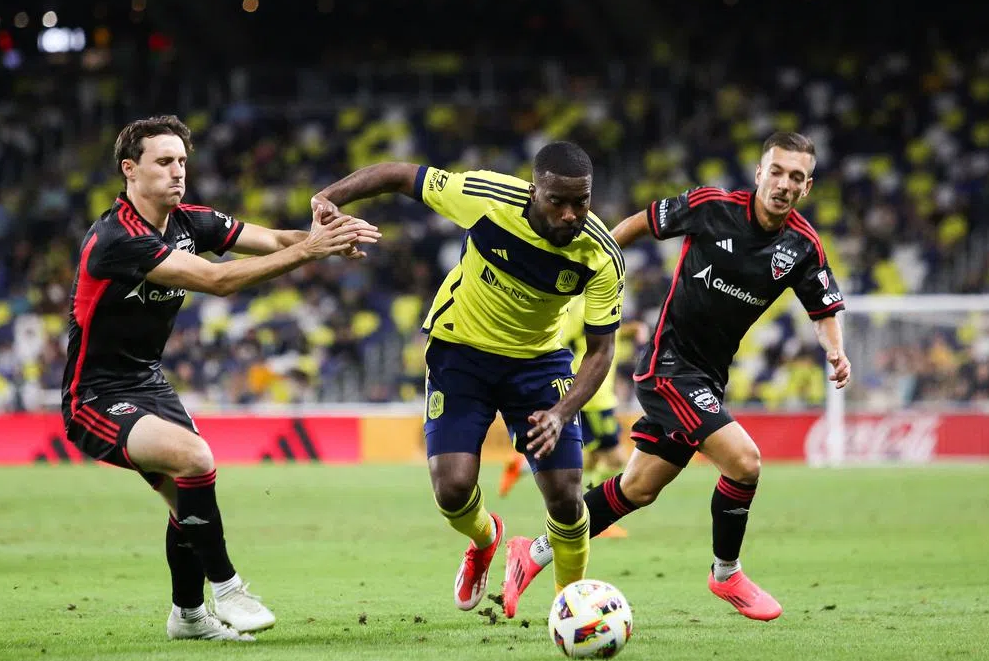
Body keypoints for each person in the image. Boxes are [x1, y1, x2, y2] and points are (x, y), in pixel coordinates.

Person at [502, 131, 851, 620]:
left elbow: (823, 306)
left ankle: (532, 552)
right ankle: (726, 574)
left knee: (637, 488)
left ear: (806, 187)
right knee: (745, 463)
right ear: (759, 173)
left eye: (796, 176)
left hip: (708, 378)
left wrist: (836, 351)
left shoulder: (802, 246)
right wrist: (588, 265)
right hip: (667, 365)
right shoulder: (711, 206)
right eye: (776, 171)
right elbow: (636, 224)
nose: (784, 183)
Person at [62, 115, 379, 641]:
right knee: (195, 460)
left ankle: (187, 616)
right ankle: (229, 589)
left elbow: (274, 237)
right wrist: (308, 251)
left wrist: (327, 237)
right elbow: (217, 279)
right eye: (164, 161)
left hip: (148, 384)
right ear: (130, 170)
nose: (178, 171)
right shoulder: (116, 239)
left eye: (182, 161)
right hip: (95, 394)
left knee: (186, 500)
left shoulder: (192, 222)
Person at [311, 142, 625, 609]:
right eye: (556, 201)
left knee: (565, 495)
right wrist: (329, 197)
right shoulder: (488, 197)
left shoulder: (600, 254)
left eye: (581, 202)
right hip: (461, 352)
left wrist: (561, 413)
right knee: (453, 488)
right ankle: (485, 540)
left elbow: (601, 351)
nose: (569, 214)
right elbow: (400, 173)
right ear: (534, 190)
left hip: (537, 362)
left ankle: (570, 603)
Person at [498, 295, 650, 539]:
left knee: (589, 460)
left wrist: (631, 331)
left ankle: (522, 466)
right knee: (614, 458)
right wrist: (635, 329)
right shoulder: (587, 303)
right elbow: (586, 335)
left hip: (591, 390)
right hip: (595, 393)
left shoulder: (577, 302)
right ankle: (597, 515)